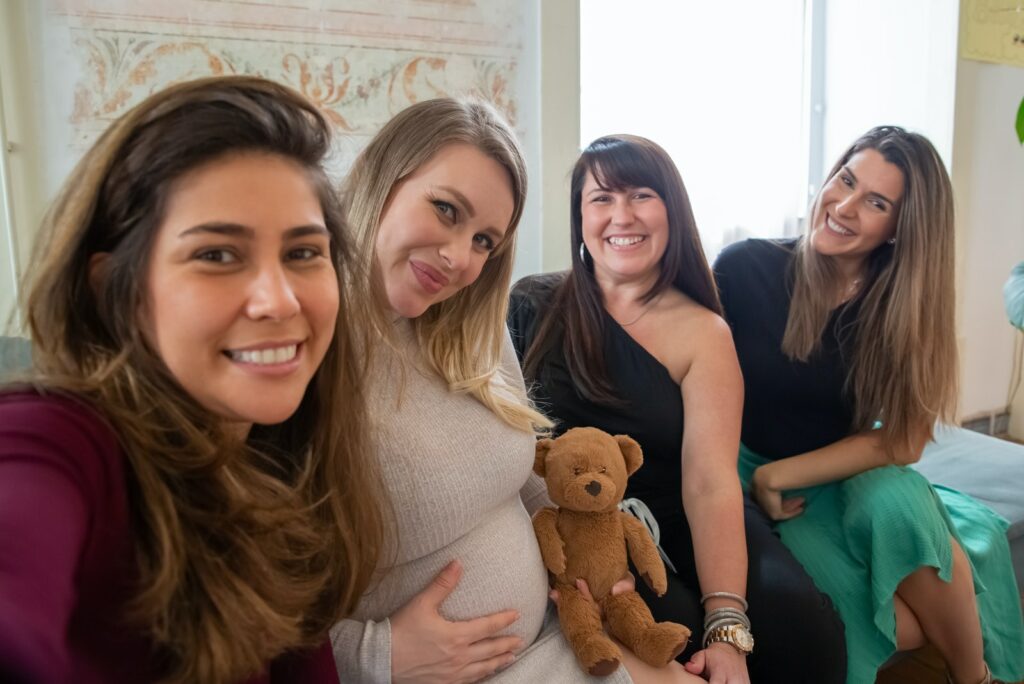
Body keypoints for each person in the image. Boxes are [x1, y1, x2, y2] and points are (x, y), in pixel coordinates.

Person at [0, 76, 386, 683]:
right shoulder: (58, 436)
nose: (278, 301)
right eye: (217, 255)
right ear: (115, 290)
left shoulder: (281, 472)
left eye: (303, 253)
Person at [329, 100, 703, 684]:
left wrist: (588, 561)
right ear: (385, 175)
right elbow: (235, 606)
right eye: (445, 209)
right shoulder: (305, 353)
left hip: (558, 635)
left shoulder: (467, 326)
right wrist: (373, 656)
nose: (459, 258)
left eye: (484, 241)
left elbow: (521, 472)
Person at [508, 134, 849, 684]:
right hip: (583, 527)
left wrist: (727, 620)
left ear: (671, 209)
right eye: (601, 199)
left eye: (641, 195)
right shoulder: (531, 305)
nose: (622, 215)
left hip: (686, 516)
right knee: (677, 634)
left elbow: (711, 483)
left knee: (799, 625)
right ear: (579, 217)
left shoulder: (703, 331)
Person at [713, 125, 1024, 684]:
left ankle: (975, 678)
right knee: (839, 608)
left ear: (901, 229)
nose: (845, 206)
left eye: (876, 202)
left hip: (841, 468)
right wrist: (758, 479)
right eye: (846, 180)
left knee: (899, 507)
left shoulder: (900, 305)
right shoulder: (743, 268)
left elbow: (901, 441)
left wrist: (782, 474)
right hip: (743, 465)